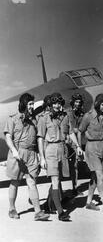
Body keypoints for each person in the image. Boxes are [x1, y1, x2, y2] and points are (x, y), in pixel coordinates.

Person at [4, 93, 50, 221]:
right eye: (30, 104)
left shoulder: (34, 121)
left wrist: (41, 156)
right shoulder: (12, 119)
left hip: (31, 155)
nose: (32, 106)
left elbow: (38, 138)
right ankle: (12, 209)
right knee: (15, 182)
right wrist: (13, 150)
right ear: (24, 104)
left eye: (32, 104)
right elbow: (8, 137)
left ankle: (38, 212)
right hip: (17, 154)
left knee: (32, 182)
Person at [37, 92, 80, 221]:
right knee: (55, 181)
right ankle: (61, 212)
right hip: (50, 150)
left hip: (62, 149)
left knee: (58, 180)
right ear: (50, 105)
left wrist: (78, 146)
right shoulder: (44, 118)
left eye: (59, 103)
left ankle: (50, 204)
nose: (57, 105)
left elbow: (71, 132)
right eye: (54, 103)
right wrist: (42, 157)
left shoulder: (65, 117)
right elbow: (40, 138)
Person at [78, 93, 103, 214]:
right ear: (97, 104)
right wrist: (79, 147)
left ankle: (89, 202)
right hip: (92, 148)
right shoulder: (88, 116)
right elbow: (80, 131)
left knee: (94, 177)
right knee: (100, 176)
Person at [66, 93, 85, 196]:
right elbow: (72, 129)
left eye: (79, 102)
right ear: (73, 102)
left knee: (75, 165)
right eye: (76, 102)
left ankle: (75, 187)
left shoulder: (81, 114)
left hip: (76, 141)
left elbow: (80, 129)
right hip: (69, 141)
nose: (78, 104)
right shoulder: (69, 113)